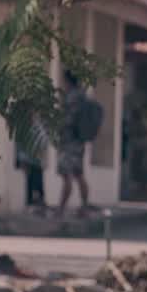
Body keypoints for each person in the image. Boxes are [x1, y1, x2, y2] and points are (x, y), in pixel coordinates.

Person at [57, 70, 91, 217]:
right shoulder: (83, 96)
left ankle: (61, 209)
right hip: (79, 142)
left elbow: (67, 120)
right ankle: (84, 207)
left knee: (67, 175)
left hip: (69, 141)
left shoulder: (71, 97)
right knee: (79, 174)